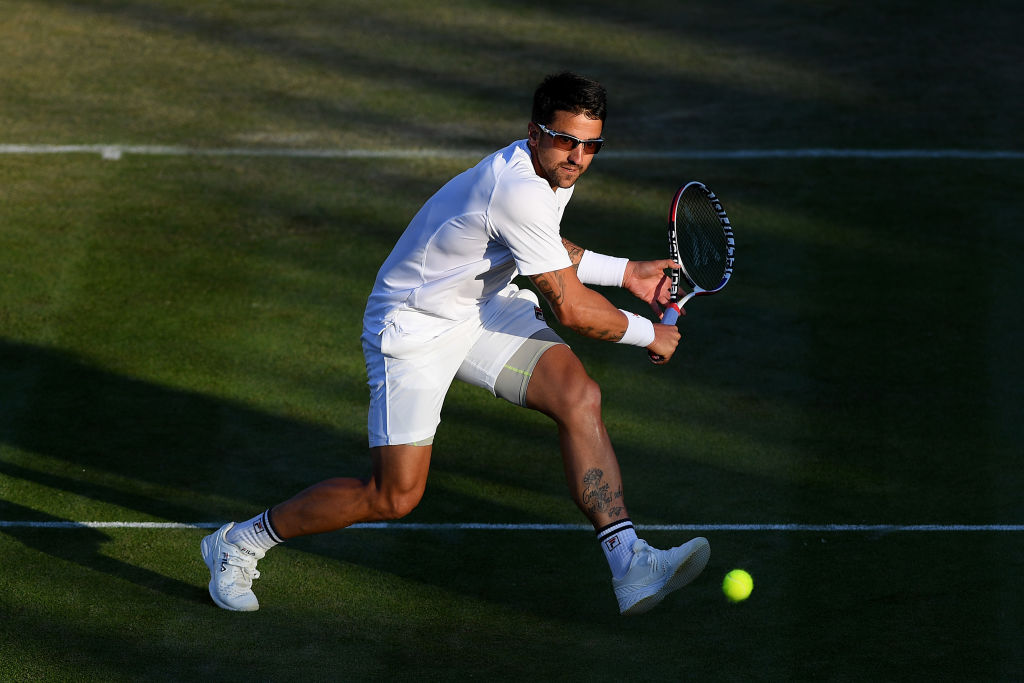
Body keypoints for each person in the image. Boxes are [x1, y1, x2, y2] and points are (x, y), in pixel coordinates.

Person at [201, 72, 710, 616]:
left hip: (480, 307)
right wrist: (648, 333)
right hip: (413, 329)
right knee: (393, 496)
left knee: (577, 395)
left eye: (591, 146)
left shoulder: (552, 172)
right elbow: (572, 310)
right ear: (534, 132)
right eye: (566, 141)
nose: (578, 158)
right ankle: (239, 542)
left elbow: (542, 242)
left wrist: (626, 271)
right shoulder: (516, 188)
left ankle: (629, 562)